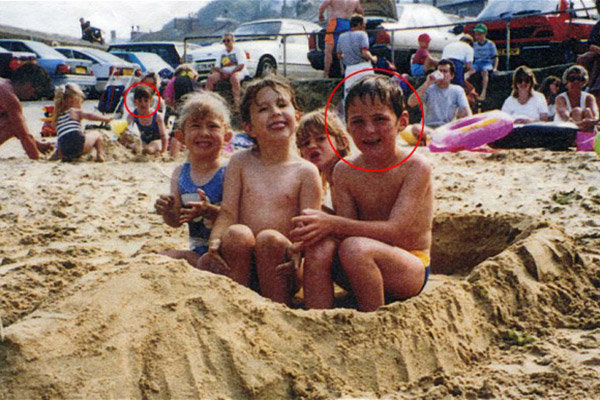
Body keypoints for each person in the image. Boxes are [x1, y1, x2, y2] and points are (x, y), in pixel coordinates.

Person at [290, 75, 434, 312]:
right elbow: (347, 229)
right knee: (322, 246)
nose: (369, 130)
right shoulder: (345, 170)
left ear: (402, 121)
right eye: (358, 122)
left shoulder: (415, 167)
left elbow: (397, 231)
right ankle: (318, 320)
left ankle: (372, 321)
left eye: (380, 119)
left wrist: (332, 222)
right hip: (360, 263)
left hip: (409, 267)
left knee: (355, 247)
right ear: (347, 126)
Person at [197, 75, 331, 309]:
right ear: (249, 128)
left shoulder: (306, 171)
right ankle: (236, 306)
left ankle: (275, 311)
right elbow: (228, 212)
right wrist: (215, 241)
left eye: (281, 105)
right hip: (241, 261)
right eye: (263, 109)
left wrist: (298, 251)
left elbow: (307, 227)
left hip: (281, 264)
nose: (276, 112)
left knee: (269, 239)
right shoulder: (240, 162)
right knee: (237, 233)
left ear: (297, 117)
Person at [154, 92, 232, 267]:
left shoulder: (229, 170)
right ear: (181, 137)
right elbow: (175, 221)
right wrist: (166, 209)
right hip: (197, 250)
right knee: (160, 257)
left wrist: (209, 210)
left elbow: (236, 216)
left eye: (212, 126)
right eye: (195, 126)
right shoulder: (180, 173)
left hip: (228, 249)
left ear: (227, 136)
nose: (204, 133)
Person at [296, 108, 350, 212]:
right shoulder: (324, 183)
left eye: (321, 138)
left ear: (341, 142)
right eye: (305, 143)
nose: (312, 146)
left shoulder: (348, 174)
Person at [407, 59, 472, 141]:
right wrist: (427, 83)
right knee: (416, 128)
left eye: (445, 71)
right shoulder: (428, 88)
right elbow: (411, 103)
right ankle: (440, 138)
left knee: (462, 115)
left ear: (452, 76)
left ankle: (437, 138)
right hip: (428, 127)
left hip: (447, 128)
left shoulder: (457, 90)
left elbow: (467, 111)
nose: (442, 74)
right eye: (440, 71)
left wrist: (471, 126)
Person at [0, 63, 53, 159]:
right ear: (28, 85)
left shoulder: (4, 85)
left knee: (12, 119)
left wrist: (37, 145)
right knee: (13, 122)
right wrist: (36, 158)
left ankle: (37, 145)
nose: (34, 96)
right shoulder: (10, 97)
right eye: (36, 92)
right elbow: (23, 134)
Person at [53, 83, 110, 162]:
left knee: (65, 136)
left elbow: (60, 140)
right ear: (72, 99)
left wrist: (59, 154)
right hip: (78, 146)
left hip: (64, 150)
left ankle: (66, 157)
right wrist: (106, 119)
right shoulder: (73, 111)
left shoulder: (58, 118)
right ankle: (99, 155)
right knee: (97, 135)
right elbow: (90, 116)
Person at [319, 0, 364, 78]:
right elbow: (360, 12)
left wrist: (321, 15)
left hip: (335, 22)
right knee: (346, 49)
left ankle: (326, 74)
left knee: (328, 50)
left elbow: (322, 7)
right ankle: (347, 72)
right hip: (347, 23)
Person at [336, 14, 377, 99]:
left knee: (349, 97)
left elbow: (339, 55)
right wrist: (373, 58)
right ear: (359, 24)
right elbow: (365, 52)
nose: (365, 27)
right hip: (364, 67)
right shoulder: (362, 34)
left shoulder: (341, 36)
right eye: (364, 25)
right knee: (370, 95)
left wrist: (348, 55)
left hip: (350, 70)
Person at [205, 33, 249, 108]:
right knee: (211, 78)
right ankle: (206, 101)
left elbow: (241, 65)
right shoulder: (221, 52)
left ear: (232, 41)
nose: (226, 43)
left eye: (228, 40)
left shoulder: (238, 50)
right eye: (224, 41)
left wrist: (231, 73)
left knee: (234, 78)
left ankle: (237, 104)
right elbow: (217, 66)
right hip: (223, 72)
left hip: (237, 71)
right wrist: (222, 73)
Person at [554, 65, 599, 130]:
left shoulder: (589, 97)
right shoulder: (561, 98)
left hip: (585, 130)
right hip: (564, 131)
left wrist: (590, 121)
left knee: (587, 111)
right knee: (577, 111)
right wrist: (580, 123)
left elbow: (595, 116)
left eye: (579, 79)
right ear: (566, 82)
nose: (576, 82)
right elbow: (564, 117)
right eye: (572, 79)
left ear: (583, 82)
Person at [126, 85, 167, 155]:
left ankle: (153, 151)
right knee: (134, 147)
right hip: (144, 141)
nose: (143, 104)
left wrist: (163, 151)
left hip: (157, 141)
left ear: (150, 101)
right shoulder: (133, 115)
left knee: (148, 150)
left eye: (146, 101)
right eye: (140, 101)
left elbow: (164, 136)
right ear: (135, 102)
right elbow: (125, 128)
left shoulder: (157, 116)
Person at [465, 23, 498, 100]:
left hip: (487, 62)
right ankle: (468, 90)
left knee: (485, 72)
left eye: (480, 34)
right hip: (477, 63)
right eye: (476, 34)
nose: (478, 37)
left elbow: (495, 57)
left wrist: (495, 67)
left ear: (485, 34)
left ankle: (483, 92)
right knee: (469, 72)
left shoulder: (490, 44)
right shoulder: (474, 45)